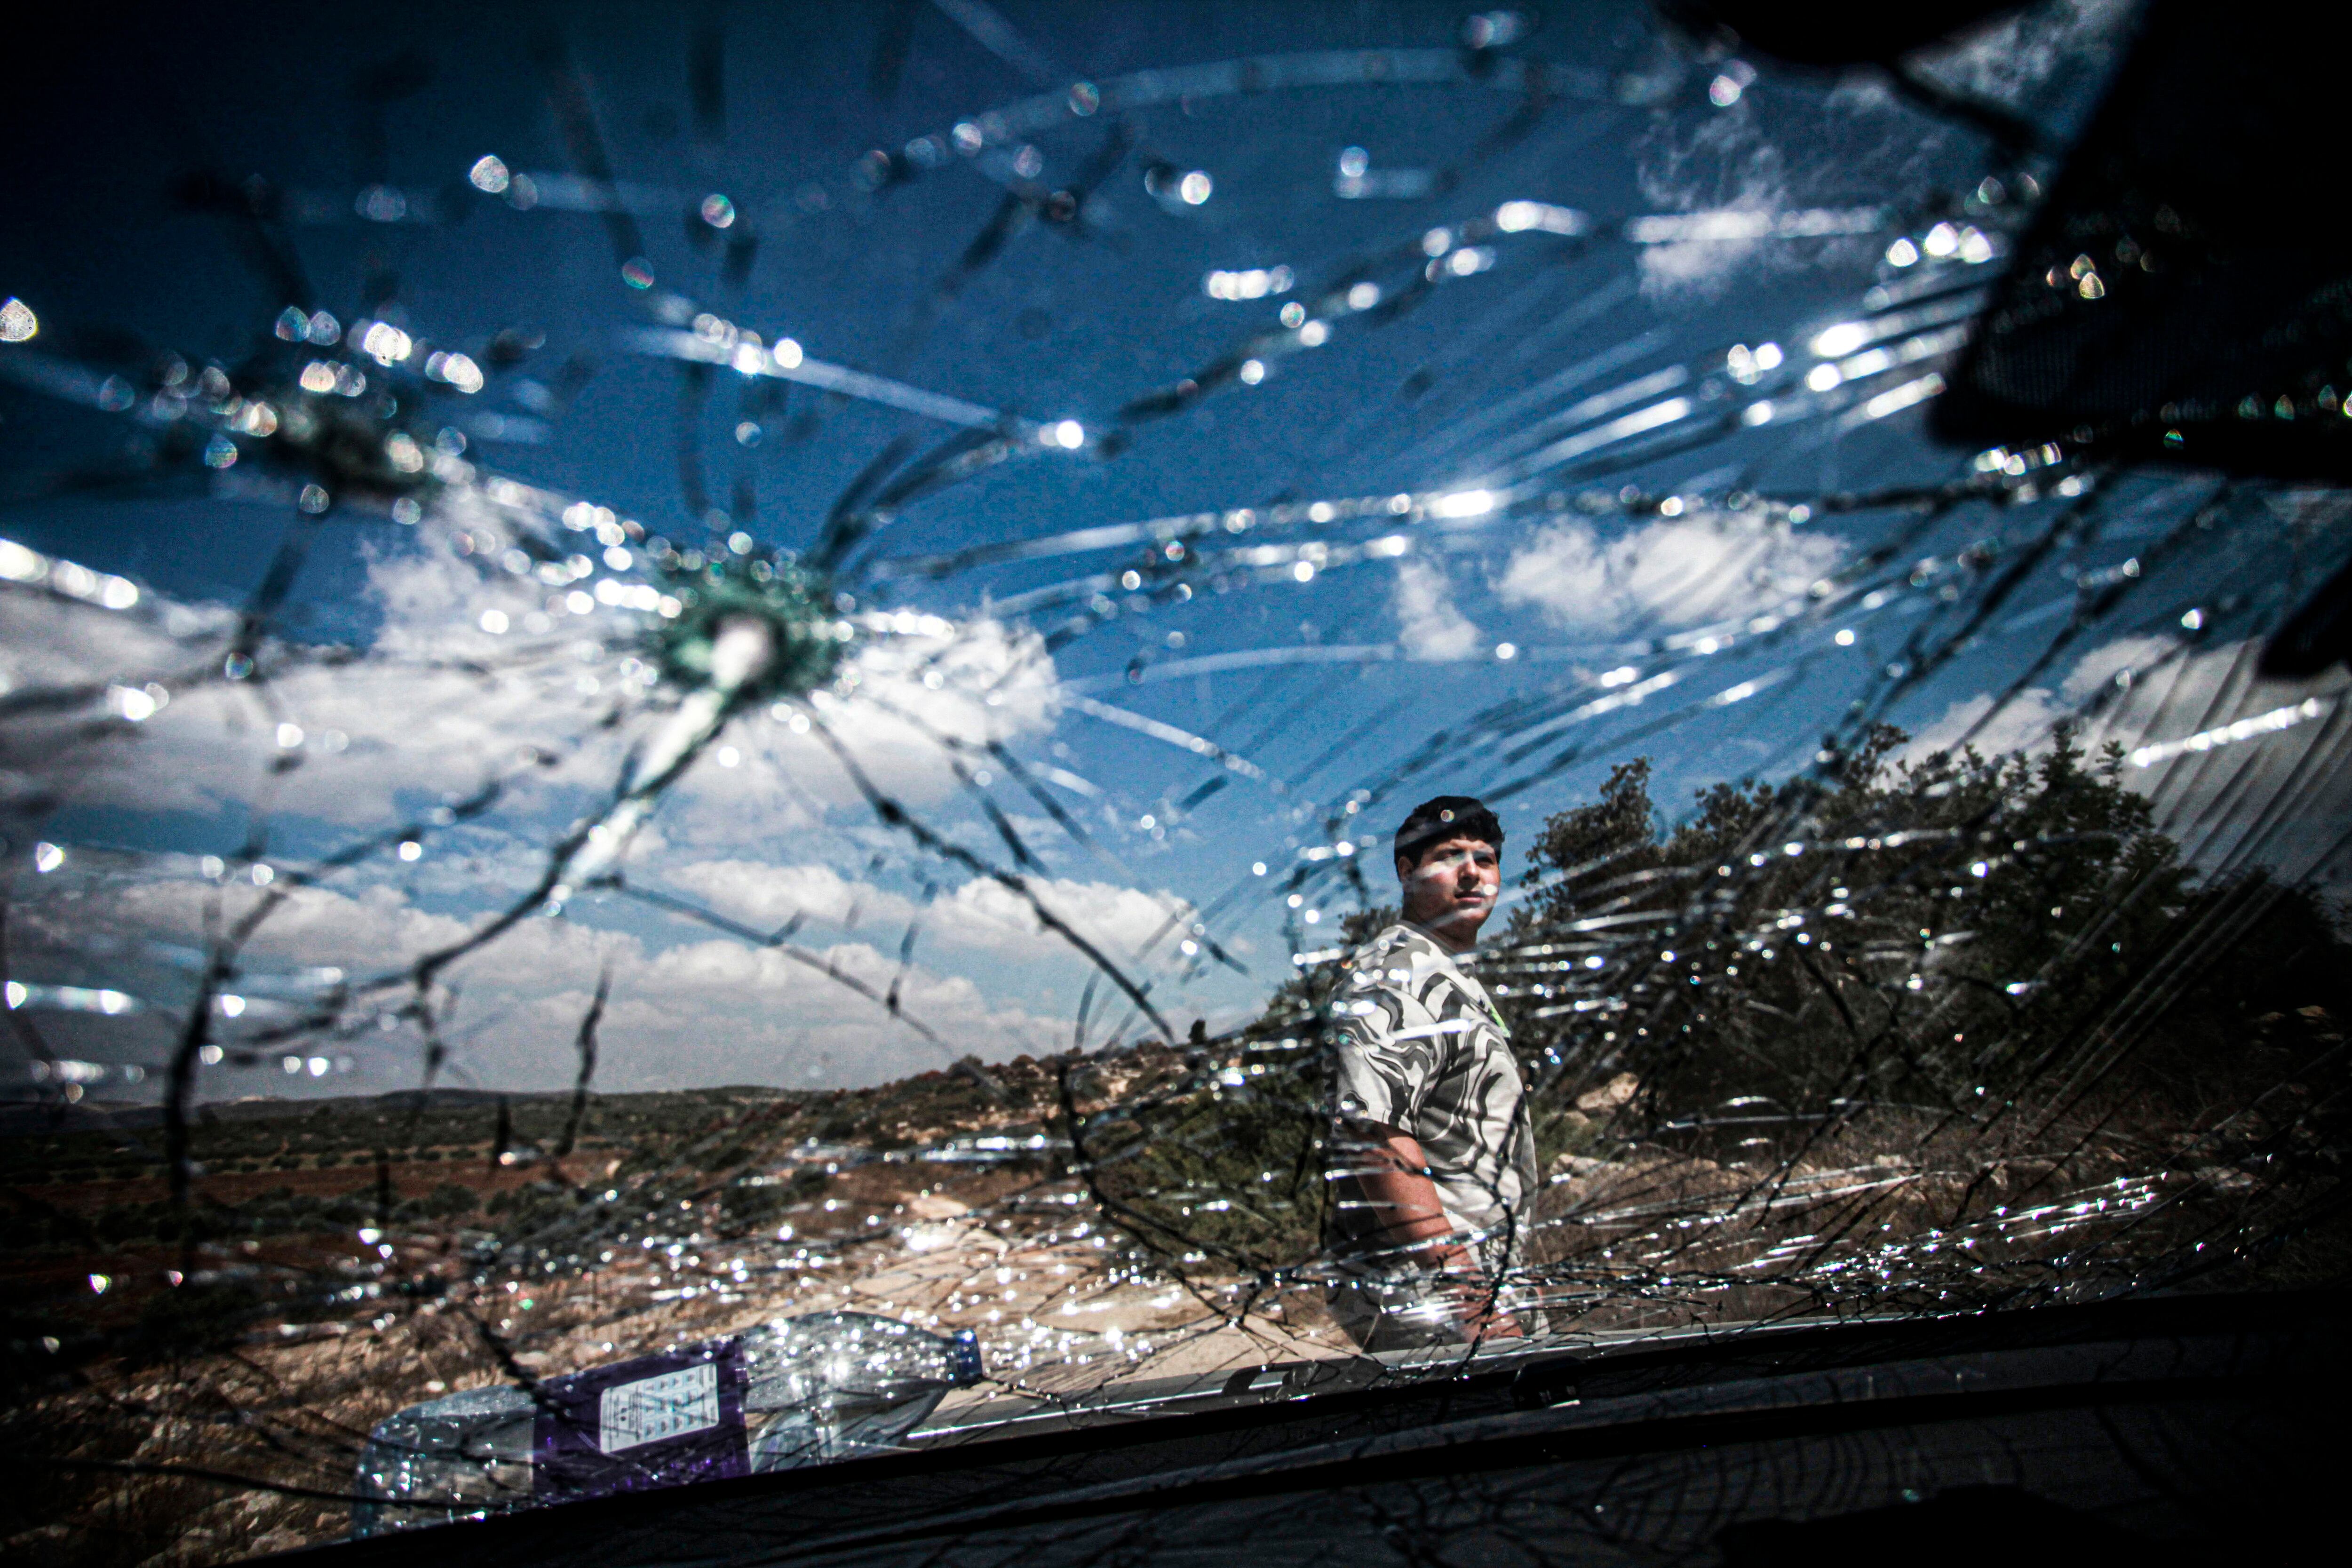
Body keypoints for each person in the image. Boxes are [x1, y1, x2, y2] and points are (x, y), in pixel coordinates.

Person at [1322, 795, 1538, 1350]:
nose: (1471, 872)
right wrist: (1471, 1305)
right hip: (1433, 1299)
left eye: (1485, 859)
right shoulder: (1393, 974)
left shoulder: (1446, 975)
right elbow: (1374, 1139)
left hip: (1480, 1277)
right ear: (1406, 871)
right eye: (1448, 855)